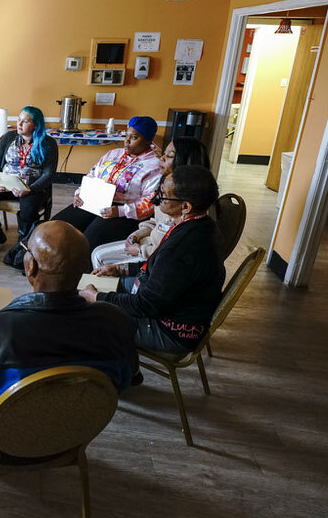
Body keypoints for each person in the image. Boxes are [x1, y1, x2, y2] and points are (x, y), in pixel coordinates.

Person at [0, 221, 138, 457]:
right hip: (74, 436)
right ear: (84, 268)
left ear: (31, 266)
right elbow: (127, 380)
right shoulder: (118, 321)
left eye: (26, 251)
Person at [80, 165, 225, 356]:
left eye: (164, 195)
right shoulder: (200, 225)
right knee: (92, 288)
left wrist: (97, 298)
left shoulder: (182, 247)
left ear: (186, 206)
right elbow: (161, 270)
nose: (157, 199)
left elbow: (145, 304)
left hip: (169, 330)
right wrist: (120, 268)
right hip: (168, 304)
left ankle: (117, 374)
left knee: (84, 317)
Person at [91, 137, 209, 270]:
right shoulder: (166, 187)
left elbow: (173, 249)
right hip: (148, 243)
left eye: (169, 156)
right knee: (98, 252)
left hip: (155, 255)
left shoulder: (192, 208)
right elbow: (156, 221)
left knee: (99, 255)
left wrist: (141, 250)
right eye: (164, 153)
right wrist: (137, 234)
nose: (162, 158)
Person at [51, 116, 163, 255]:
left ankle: (75, 269)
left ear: (147, 140)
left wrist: (120, 211)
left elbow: (150, 203)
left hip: (124, 211)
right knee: (57, 226)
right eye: (126, 136)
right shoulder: (114, 154)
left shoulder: (154, 165)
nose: (126, 142)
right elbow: (92, 174)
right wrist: (80, 193)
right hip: (94, 200)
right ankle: (48, 260)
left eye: (134, 138)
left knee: (88, 240)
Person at [0, 106, 58, 258]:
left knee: (28, 206)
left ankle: (22, 245)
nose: (19, 124)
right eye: (19, 119)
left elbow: (49, 174)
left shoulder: (48, 144)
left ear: (35, 125)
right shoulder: (9, 138)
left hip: (32, 187)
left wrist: (30, 189)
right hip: (7, 183)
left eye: (25, 121)